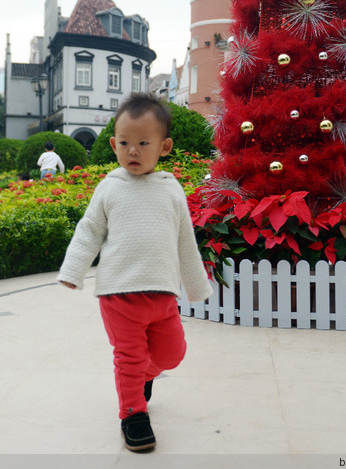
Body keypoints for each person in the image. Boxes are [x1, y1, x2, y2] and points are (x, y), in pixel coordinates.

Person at [57, 93, 212, 452]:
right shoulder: (109, 187)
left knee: (172, 355)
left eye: (144, 143)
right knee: (128, 357)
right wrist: (73, 270)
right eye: (125, 143)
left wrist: (196, 286)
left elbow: (184, 241)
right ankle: (132, 413)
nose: (133, 151)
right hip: (119, 295)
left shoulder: (171, 188)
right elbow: (89, 230)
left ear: (165, 146)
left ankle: (143, 378)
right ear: (113, 144)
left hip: (162, 295)